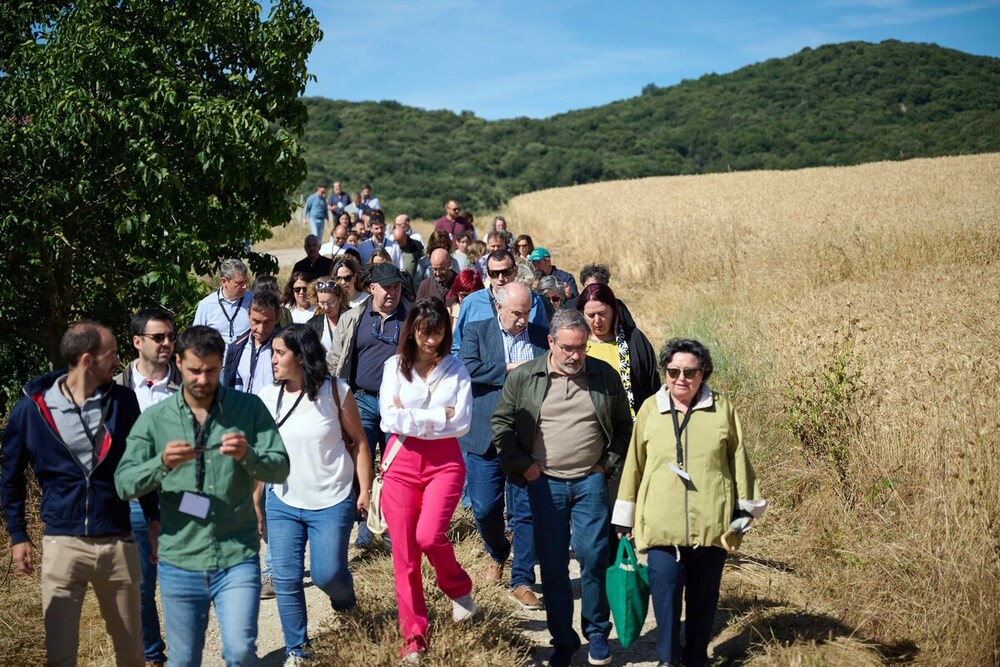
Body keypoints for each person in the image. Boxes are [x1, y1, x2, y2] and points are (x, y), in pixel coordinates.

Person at [115, 325, 289, 667]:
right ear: (178, 362)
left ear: (222, 363)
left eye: (211, 370)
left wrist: (249, 456)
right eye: (194, 370)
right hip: (180, 559)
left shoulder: (248, 408)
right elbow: (124, 483)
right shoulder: (155, 418)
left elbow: (280, 468)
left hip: (236, 555)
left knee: (240, 652)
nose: (203, 378)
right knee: (183, 660)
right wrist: (161, 464)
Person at [2, 321, 152, 667]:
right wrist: (18, 535)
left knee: (132, 653)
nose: (118, 361)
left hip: (118, 541)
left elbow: (141, 465)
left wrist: (154, 519)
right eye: (112, 353)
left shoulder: (124, 402)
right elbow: (10, 477)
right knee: (60, 655)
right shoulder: (31, 410)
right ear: (88, 360)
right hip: (62, 543)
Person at [612, 339, 766, 667]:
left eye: (690, 371)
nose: (681, 378)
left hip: (712, 526)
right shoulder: (650, 410)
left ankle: (697, 658)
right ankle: (668, 659)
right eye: (673, 371)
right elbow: (633, 467)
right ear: (664, 372)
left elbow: (739, 460)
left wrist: (744, 513)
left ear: (703, 373)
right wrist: (624, 519)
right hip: (662, 527)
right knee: (665, 602)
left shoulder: (723, 409)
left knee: (703, 601)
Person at [491, 310, 633, 667]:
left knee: (593, 557)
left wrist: (605, 467)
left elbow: (623, 428)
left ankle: (597, 632)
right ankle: (563, 641)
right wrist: (526, 467)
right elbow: (502, 425)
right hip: (545, 484)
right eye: (567, 348)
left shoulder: (605, 376)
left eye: (581, 348)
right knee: (553, 566)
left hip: (589, 481)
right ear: (551, 342)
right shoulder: (526, 377)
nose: (574, 355)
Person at [257, 325, 373, 664]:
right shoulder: (268, 396)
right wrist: (255, 500)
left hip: (332, 499)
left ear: (301, 356)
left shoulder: (336, 392)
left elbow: (360, 442)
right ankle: (299, 649)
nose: (273, 359)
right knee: (286, 577)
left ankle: (345, 603)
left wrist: (364, 491)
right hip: (284, 500)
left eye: (279, 352)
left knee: (327, 574)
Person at [378, 298, 476, 663]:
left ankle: (458, 587)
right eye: (424, 332)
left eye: (437, 333)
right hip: (400, 461)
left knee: (429, 535)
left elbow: (462, 422)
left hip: (444, 464)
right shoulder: (393, 368)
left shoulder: (457, 370)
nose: (430, 340)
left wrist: (416, 415)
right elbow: (390, 419)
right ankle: (414, 639)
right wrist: (438, 416)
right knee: (404, 556)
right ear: (412, 331)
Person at [458, 283, 547, 611]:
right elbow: (467, 368)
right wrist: (508, 370)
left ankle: (522, 579)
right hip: (484, 436)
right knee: (484, 508)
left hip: (528, 440)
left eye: (527, 312)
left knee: (526, 511)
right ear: (499, 308)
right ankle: (497, 552)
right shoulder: (476, 331)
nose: (523, 320)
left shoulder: (541, 336)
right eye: (516, 313)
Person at [327, 263, 410, 549]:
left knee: (394, 469)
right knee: (358, 465)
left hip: (397, 405)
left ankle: (387, 529)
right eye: (386, 286)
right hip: (360, 399)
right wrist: (336, 398)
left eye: (397, 286)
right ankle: (363, 527)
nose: (392, 292)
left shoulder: (411, 318)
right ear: (371, 287)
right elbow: (336, 359)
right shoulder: (353, 318)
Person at [576, 282, 660, 563]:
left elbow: (651, 390)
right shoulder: (576, 344)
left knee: (618, 505)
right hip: (583, 438)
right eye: (590, 315)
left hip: (625, 438)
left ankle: (616, 563)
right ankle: (595, 560)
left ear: (614, 311)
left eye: (602, 313)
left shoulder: (634, 343)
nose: (597, 321)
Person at [116, 308, 180, 667]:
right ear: (137, 341)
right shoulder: (115, 390)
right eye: (159, 337)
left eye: (171, 336)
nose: (168, 343)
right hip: (136, 506)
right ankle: (153, 657)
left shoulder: (190, 384)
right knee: (140, 588)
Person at [451, 250, 548, 355]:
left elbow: (543, 341)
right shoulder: (471, 303)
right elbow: (457, 346)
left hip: (525, 368)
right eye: (494, 274)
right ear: (488, 275)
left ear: (515, 271)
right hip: (483, 369)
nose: (501, 278)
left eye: (506, 272)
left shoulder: (533, 300)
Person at [223, 291, 281, 395]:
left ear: (277, 318)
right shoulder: (236, 349)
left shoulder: (287, 349)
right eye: (256, 321)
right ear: (248, 315)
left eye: (267, 322)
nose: (261, 329)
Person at [193, 258, 253, 346]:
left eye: (245, 282)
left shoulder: (253, 300)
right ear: (224, 281)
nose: (245, 286)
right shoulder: (206, 305)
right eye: (239, 283)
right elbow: (196, 338)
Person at [307, 279, 349, 352]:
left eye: (331, 303)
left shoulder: (354, 318)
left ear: (340, 298)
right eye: (322, 303)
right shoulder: (312, 325)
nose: (326, 308)